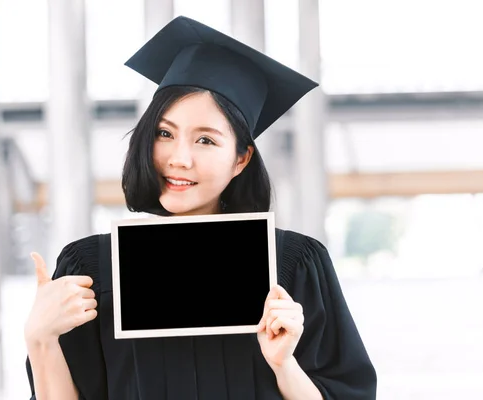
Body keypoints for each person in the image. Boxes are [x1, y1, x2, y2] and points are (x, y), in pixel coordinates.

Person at [24, 15, 377, 400]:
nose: (179, 158)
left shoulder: (295, 265)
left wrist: (284, 364)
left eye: (206, 140)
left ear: (241, 158)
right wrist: (40, 337)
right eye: (164, 133)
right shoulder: (91, 270)